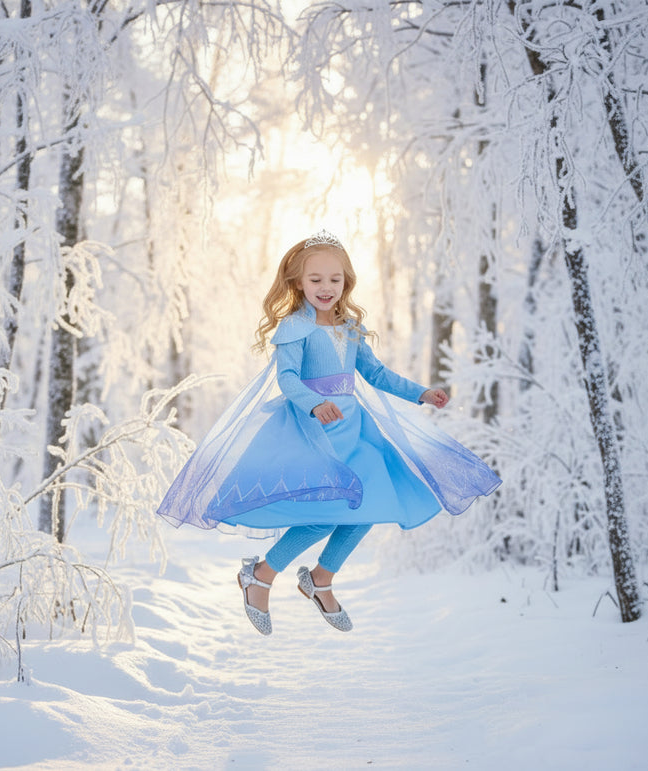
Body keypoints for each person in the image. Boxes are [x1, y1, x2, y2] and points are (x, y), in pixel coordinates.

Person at [157, 230, 501, 635]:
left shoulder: (351, 328)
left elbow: (374, 373)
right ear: (298, 282)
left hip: (356, 433)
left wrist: (420, 392)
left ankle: (320, 578)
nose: (326, 288)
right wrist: (314, 404)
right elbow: (287, 378)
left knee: (367, 508)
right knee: (323, 515)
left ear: (346, 282)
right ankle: (261, 575)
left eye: (334, 280)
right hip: (312, 430)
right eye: (315, 279)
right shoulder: (294, 328)